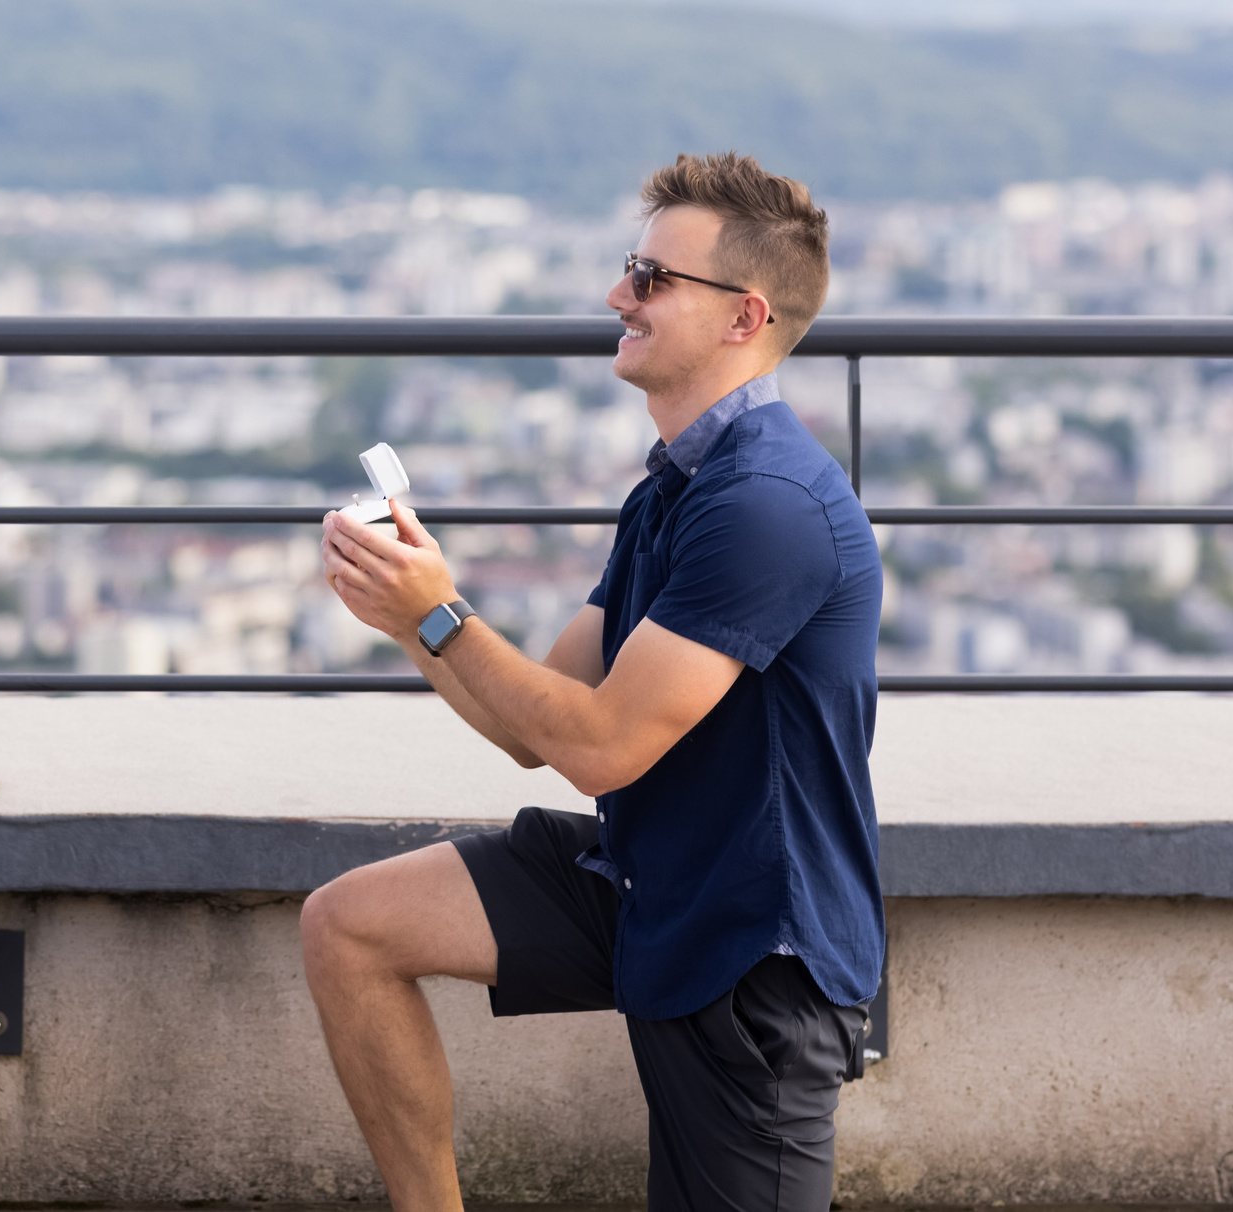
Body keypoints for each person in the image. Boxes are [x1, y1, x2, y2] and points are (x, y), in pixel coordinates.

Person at [307, 152, 884, 1212]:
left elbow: (600, 746)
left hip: (756, 949)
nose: (618, 296)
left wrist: (439, 614)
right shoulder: (676, 488)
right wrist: (410, 615)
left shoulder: (766, 506)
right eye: (631, 268)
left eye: (651, 279)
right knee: (348, 929)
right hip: (653, 880)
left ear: (743, 316)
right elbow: (539, 716)